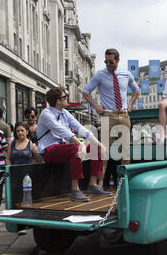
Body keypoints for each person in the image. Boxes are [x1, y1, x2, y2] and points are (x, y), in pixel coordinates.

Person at [37, 87, 109, 202]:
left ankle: (93, 185)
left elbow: (79, 127)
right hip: (49, 150)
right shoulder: (46, 114)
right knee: (75, 149)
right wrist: (81, 145)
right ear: (58, 101)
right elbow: (62, 131)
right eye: (64, 97)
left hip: (62, 148)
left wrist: (99, 143)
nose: (67, 99)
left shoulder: (64, 113)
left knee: (96, 148)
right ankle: (75, 190)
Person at [82, 48, 139, 177]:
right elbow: (86, 91)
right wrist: (96, 106)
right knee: (104, 149)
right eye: (106, 62)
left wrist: (130, 104)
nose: (108, 65)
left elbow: (136, 90)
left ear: (118, 60)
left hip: (124, 115)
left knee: (125, 150)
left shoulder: (126, 74)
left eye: (111, 62)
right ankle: (100, 182)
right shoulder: (99, 75)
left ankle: (124, 180)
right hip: (107, 115)